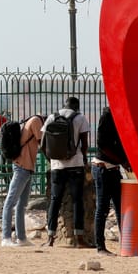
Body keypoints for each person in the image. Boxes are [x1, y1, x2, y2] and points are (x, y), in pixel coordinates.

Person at [43, 96, 91, 247]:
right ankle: (80, 238)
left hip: (57, 165)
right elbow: (84, 144)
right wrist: (83, 159)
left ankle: (50, 237)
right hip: (75, 164)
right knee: (77, 200)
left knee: (55, 200)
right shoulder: (80, 118)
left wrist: (51, 160)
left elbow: (43, 144)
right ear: (76, 107)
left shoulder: (52, 117)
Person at [92, 106, 131, 256]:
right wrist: (122, 161)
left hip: (113, 169)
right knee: (102, 208)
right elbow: (102, 144)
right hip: (103, 168)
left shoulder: (120, 118)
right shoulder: (108, 117)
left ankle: (126, 243)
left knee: (121, 207)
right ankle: (100, 246)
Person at [0, 114, 44, 247]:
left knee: (21, 204)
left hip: (26, 167)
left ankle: (21, 237)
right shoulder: (36, 122)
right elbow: (42, 142)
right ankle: (6, 237)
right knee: (10, 202)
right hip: (22, 167)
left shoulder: (31, 121)